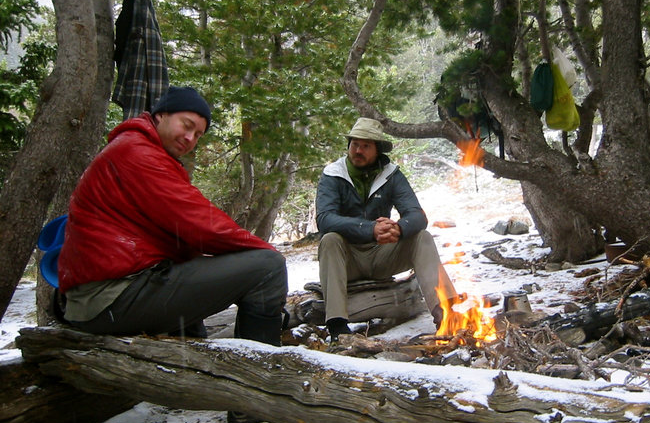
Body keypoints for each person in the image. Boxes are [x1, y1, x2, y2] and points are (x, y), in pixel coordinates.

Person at [58, 86, 288, 353]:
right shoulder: (138, 153)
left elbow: (183, 234)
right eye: (187, 125)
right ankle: (260, 373)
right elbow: (202, 226)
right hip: (109, 297)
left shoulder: (139, 149)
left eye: (198, 135)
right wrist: (266, 252)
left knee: (190, 263)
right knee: (267, 268)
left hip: (103, 296)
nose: (190, 138)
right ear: (161, 115)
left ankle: (197, 360)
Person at [315, 117, 459, 340]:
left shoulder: (391, 174)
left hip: (383, 254)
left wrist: (399, 229)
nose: (358, 150)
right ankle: (337, 326)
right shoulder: (333, 174)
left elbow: (417, 215)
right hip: (347, 260)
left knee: (422, 237)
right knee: (330, 239)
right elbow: (324, 219)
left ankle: (445, 314)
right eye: (355, 144)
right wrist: (370, 228)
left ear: (377, 150)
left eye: (365, 146)